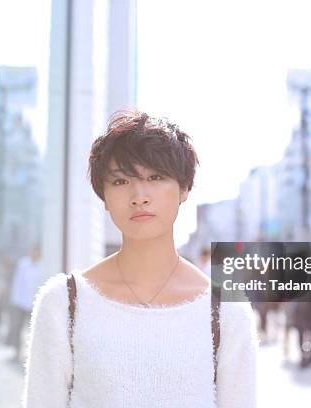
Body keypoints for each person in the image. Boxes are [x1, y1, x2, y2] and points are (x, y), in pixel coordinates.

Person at [23, 111, 258, 407]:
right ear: (104, 197)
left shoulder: (226, 312)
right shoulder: (63, 302)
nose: (139, 195)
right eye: (120, 181)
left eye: (155, 177)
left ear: (184, 188)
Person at [7, 244, 44, 363]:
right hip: (20, 302)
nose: (35, 254)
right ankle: (16, 352)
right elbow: (17, 283)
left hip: (34, 304)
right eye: (33, 251)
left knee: (33, 329)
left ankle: (32, 355)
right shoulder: (23, 264)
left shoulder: (42, 266)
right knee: (17, 327)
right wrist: (14, 300)